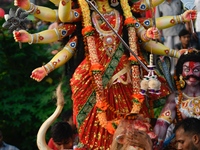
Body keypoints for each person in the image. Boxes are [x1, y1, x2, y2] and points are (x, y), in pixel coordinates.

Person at [12, 0, 196, 149]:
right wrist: (35, 43)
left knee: (133, 128)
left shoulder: (126, 9)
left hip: (125, 77)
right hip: (91, 77)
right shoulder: (81, 11)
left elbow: (146, 28)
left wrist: (174, 27)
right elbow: (64, 29)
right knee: (92, 129)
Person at [154, 49, 200, 148]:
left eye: (196, 70)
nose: (191, 74)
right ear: (180, 72)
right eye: (187, 70)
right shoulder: (175, 99)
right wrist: (156, 144)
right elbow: (162, 124)